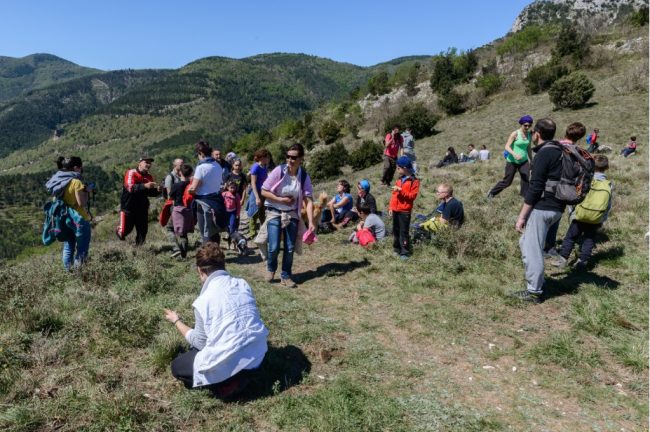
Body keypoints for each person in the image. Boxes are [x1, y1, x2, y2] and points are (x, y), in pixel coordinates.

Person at [164, 243, 268, 397]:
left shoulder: (203, 301)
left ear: (200, 270)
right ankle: (245, 374)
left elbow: (200, 343)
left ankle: (227, 381)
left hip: (228, 362)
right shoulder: (243, 284)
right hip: (258, 354)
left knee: (177, 366)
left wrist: (176, 321)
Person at [512, 118, 564, 304]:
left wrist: (521, 217)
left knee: (532, 250)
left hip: (542, 208)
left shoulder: (543, 154)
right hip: (558, 207)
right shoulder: (560, 150)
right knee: (527, 243)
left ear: (537, 134)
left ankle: (534, 292)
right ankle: (537, 281)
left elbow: (535, 189)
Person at [260, 143, 316, 287]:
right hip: (274, 210)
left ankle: (286, 275)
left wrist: (311, 221)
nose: (290, 160)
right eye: (288, 156)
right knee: (274, 246)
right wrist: (280, 200)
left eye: (294, 157)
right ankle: (271, 268)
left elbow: (308, 200)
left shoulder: (303, 176)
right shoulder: (279, 171)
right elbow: (264, 191)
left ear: (301, 159)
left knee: (290, 247)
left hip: (292, 214)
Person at [552, 155, 612, 269]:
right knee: (589, 239)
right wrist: (602, 218)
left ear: (592, 165)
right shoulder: (609, 184)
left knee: (570, 237)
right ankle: (582, 262)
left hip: (580, 214)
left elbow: (575, 196)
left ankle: (562, 259)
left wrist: (572, 212)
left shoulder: (585, 178)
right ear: (607, 167)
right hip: (596, 217)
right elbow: (608, 205)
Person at [544, 122, 587, 258]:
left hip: (547, 185)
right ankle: (549, 247)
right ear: (580, 137)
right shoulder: (577, 152)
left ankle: (540, 245)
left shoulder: (553, 145)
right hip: (565, 189)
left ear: (566, 131)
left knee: (542, 217)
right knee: (556, 217)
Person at [45, 156, 93, 270]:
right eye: (81, 168)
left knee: (68, 247)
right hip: (78, 219)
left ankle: (68, 272)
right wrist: (87, 191)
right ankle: (79, 273)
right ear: (76, 168)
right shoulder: (76, 182)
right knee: (82, 248)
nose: (81, 170)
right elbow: (81, 203)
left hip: (64, 219)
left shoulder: (57, 181)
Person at [116, 156, 161, 245]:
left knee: (142, 231)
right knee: (125, 231)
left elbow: (149, 193)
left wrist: (158, 190)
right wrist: (145, 186)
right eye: (146, 162)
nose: (148, 164)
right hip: (128, 207)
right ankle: (119, 231)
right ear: (139, 163)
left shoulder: (149, 176)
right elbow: (130, 188)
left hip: (142, 208)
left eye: (150, 163)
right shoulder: (131, 172)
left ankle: (140, 249)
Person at [487, 115, 533, 198]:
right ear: (521, 124)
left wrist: (531, 160)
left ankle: (524, 196)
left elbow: (528, 148)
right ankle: (492, 192)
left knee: (526, 178)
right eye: (525, 125)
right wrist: (514, 154)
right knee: (507, 182)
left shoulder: (529, 135)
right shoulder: (515, 134)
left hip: (524, 161)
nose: (527, 127)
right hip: (512, 161)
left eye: (529, 125)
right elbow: (507, 146)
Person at [189, 141, 225, 245]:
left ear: (201, 153)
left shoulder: (201, 168)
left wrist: (189, 189)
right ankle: (216, 251)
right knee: (215, 231)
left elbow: (193, 189)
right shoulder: (217, 165)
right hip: (217, 201)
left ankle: (207, 253)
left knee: (205, 232)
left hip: (204, 202)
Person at [389, 156, 420, 260]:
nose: (397, 170)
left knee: (403, 231)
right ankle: (396, 248)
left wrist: (401, 190)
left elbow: (412, 197)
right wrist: (391, 207)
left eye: (398, 168)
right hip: (395, 209)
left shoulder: (414, 181)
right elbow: (394, 195)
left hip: (405, 211)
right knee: (396, 230)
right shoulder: (399, 179)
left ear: (405, 168)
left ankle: (405, 252)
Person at [169, 164, 194, 259]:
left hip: (178, 209)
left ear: (180, 173)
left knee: (169, 228)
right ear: (191, 173)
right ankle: (184, 255)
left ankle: (176, 248)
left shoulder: (176, 185)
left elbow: (171, 197)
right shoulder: (192, 185)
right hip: (188, 210)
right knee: (184, 233)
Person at [247, 149, 271, 240]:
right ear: (261, 158)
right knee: (254, 213)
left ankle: (263, 232)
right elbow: (253, 183)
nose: (268, 159)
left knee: (262, 213)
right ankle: (252, 234)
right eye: (266, 157)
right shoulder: (255, 167)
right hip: (256, 192)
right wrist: (257, 197)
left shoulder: (264, 166)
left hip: (263, 192)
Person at [165, 158, 184, 257]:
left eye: (183, 164)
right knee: (173, 227)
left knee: (171, 228)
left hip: (182, 206)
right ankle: (181, 249)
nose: (182, 166)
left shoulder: (183, 176)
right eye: (180, 164)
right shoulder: (170, 177)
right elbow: (169, 195)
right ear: (175, 165)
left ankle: (177, 249)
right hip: (175, 206)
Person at [222, 180, 243, 250]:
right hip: (225, 213)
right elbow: (220, 202)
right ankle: (228, 243)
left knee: (232, 227)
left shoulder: (236, 195)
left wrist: (238, 214)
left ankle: (234, 243)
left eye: (234, 188)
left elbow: (238, 206)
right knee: (227, 228)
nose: (232, 189)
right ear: (228, 187)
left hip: (232, 213)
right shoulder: (224, 194)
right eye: (231, 187)